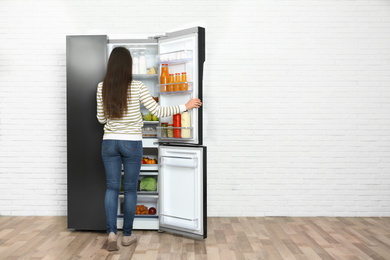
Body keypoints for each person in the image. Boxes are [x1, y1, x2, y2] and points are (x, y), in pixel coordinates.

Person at [96, 47, 202, 251]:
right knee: (129, 189)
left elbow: (101, 118)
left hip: (109, 142)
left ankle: (111, 234)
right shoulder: (137, 86)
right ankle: (127, 236)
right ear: (128, 66)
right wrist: (185, 106)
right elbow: (157, 110)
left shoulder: (101, 87)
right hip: (131, 142)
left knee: (111, 188)